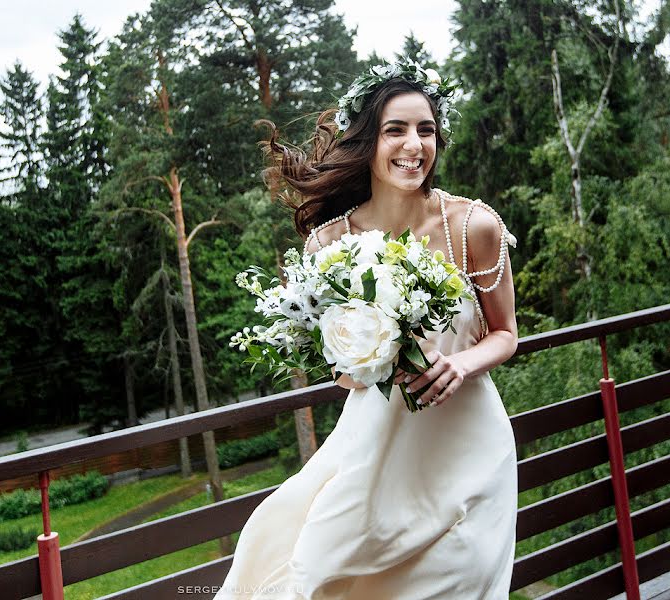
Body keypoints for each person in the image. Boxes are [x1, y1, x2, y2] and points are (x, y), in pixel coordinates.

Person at [213, 59, 520, 599]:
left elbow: (506, 333)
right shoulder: (328, 244)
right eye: (395, 129)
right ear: (367, 142)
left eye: (426, 129)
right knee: (311, 572)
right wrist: (354, 361)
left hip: (467, 455)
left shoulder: (474, 226)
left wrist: (460, 363)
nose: (414, 144)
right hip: (372, 453)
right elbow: (341, 374)